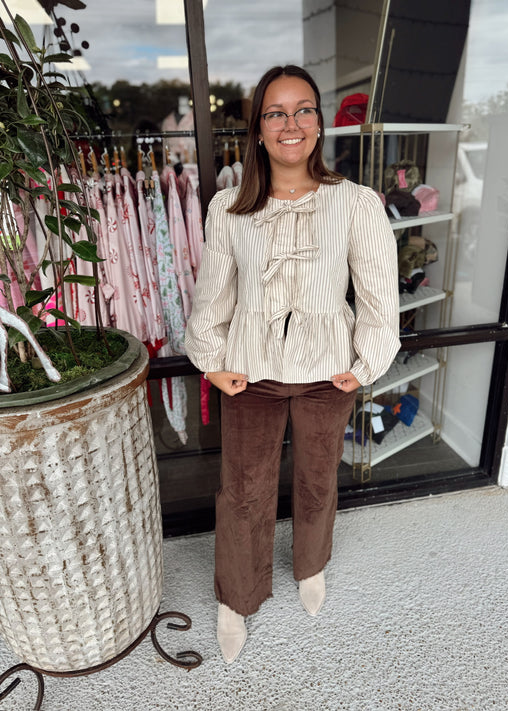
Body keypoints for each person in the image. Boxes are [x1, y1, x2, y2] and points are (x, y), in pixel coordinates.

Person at [185, 65, 400, 664]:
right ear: (257, 129)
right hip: (249, 374)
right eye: (276, 113)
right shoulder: (229, 207)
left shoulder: (355, 203)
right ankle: (238, 595)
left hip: (328, 374)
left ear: (319, 121)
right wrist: (211, 361)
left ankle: (310, 566)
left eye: (303, 109)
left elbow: (379, 294)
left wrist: (366, 363)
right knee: (243, 492)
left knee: (315, 480)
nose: (291, 124)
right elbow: (213, 295)